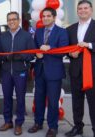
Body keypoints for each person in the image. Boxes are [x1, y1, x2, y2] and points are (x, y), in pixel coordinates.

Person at [28, 7, 69, 137]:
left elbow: (64, 50)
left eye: (48, 16)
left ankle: (52, 127)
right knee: (38, 99)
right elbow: (35, 47)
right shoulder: (38, 31)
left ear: (54, 17)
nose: (45, 18)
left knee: (52, 101)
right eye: (43, 16)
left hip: (54, 72)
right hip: (40, 71)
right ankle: (38, 123)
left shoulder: (62, 32)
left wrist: (50, 48)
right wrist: (37, 53)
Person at [0, 12, 35, 136]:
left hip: (21, 72)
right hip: (6, 72)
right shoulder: (3, 36)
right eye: (9, 20)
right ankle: (8, 121)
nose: (11, 21)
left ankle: (19, 123)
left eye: (14, 19)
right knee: (7, 98)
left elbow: (32, 54)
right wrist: (4, 58)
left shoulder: (27, 36)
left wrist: (21, 56)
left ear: (19, 20)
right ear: (7, 21)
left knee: (20, 98)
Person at [65, 1, 95, 137]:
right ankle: (78, 126)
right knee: (76, 102)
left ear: (91, 10)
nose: (82, 10)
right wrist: (70, 53)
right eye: (80, 8)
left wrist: (88, 45)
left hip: (92, 73)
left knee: (93, 102)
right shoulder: (70, 29)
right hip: (76, 71)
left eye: (85, 8)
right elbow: (66, 48)